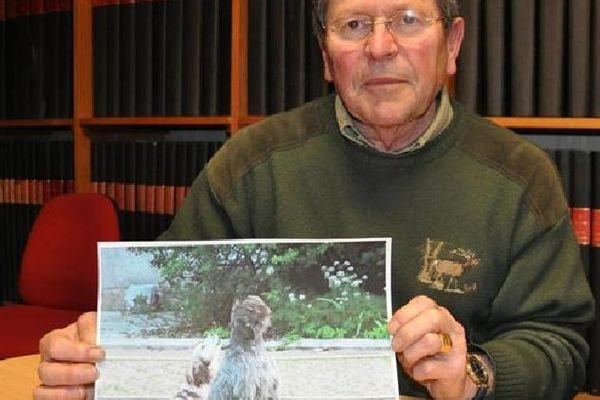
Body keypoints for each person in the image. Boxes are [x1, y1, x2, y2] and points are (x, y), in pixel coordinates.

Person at [35, 0, 595, 399]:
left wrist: (475, 373)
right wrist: (101, 357)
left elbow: (562, 344)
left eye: (407, 19)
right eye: (353, 25)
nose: (380, 47)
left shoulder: (520, 176)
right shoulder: (250, 163)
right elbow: (168, 310)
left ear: (451, 45)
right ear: (327, 58)